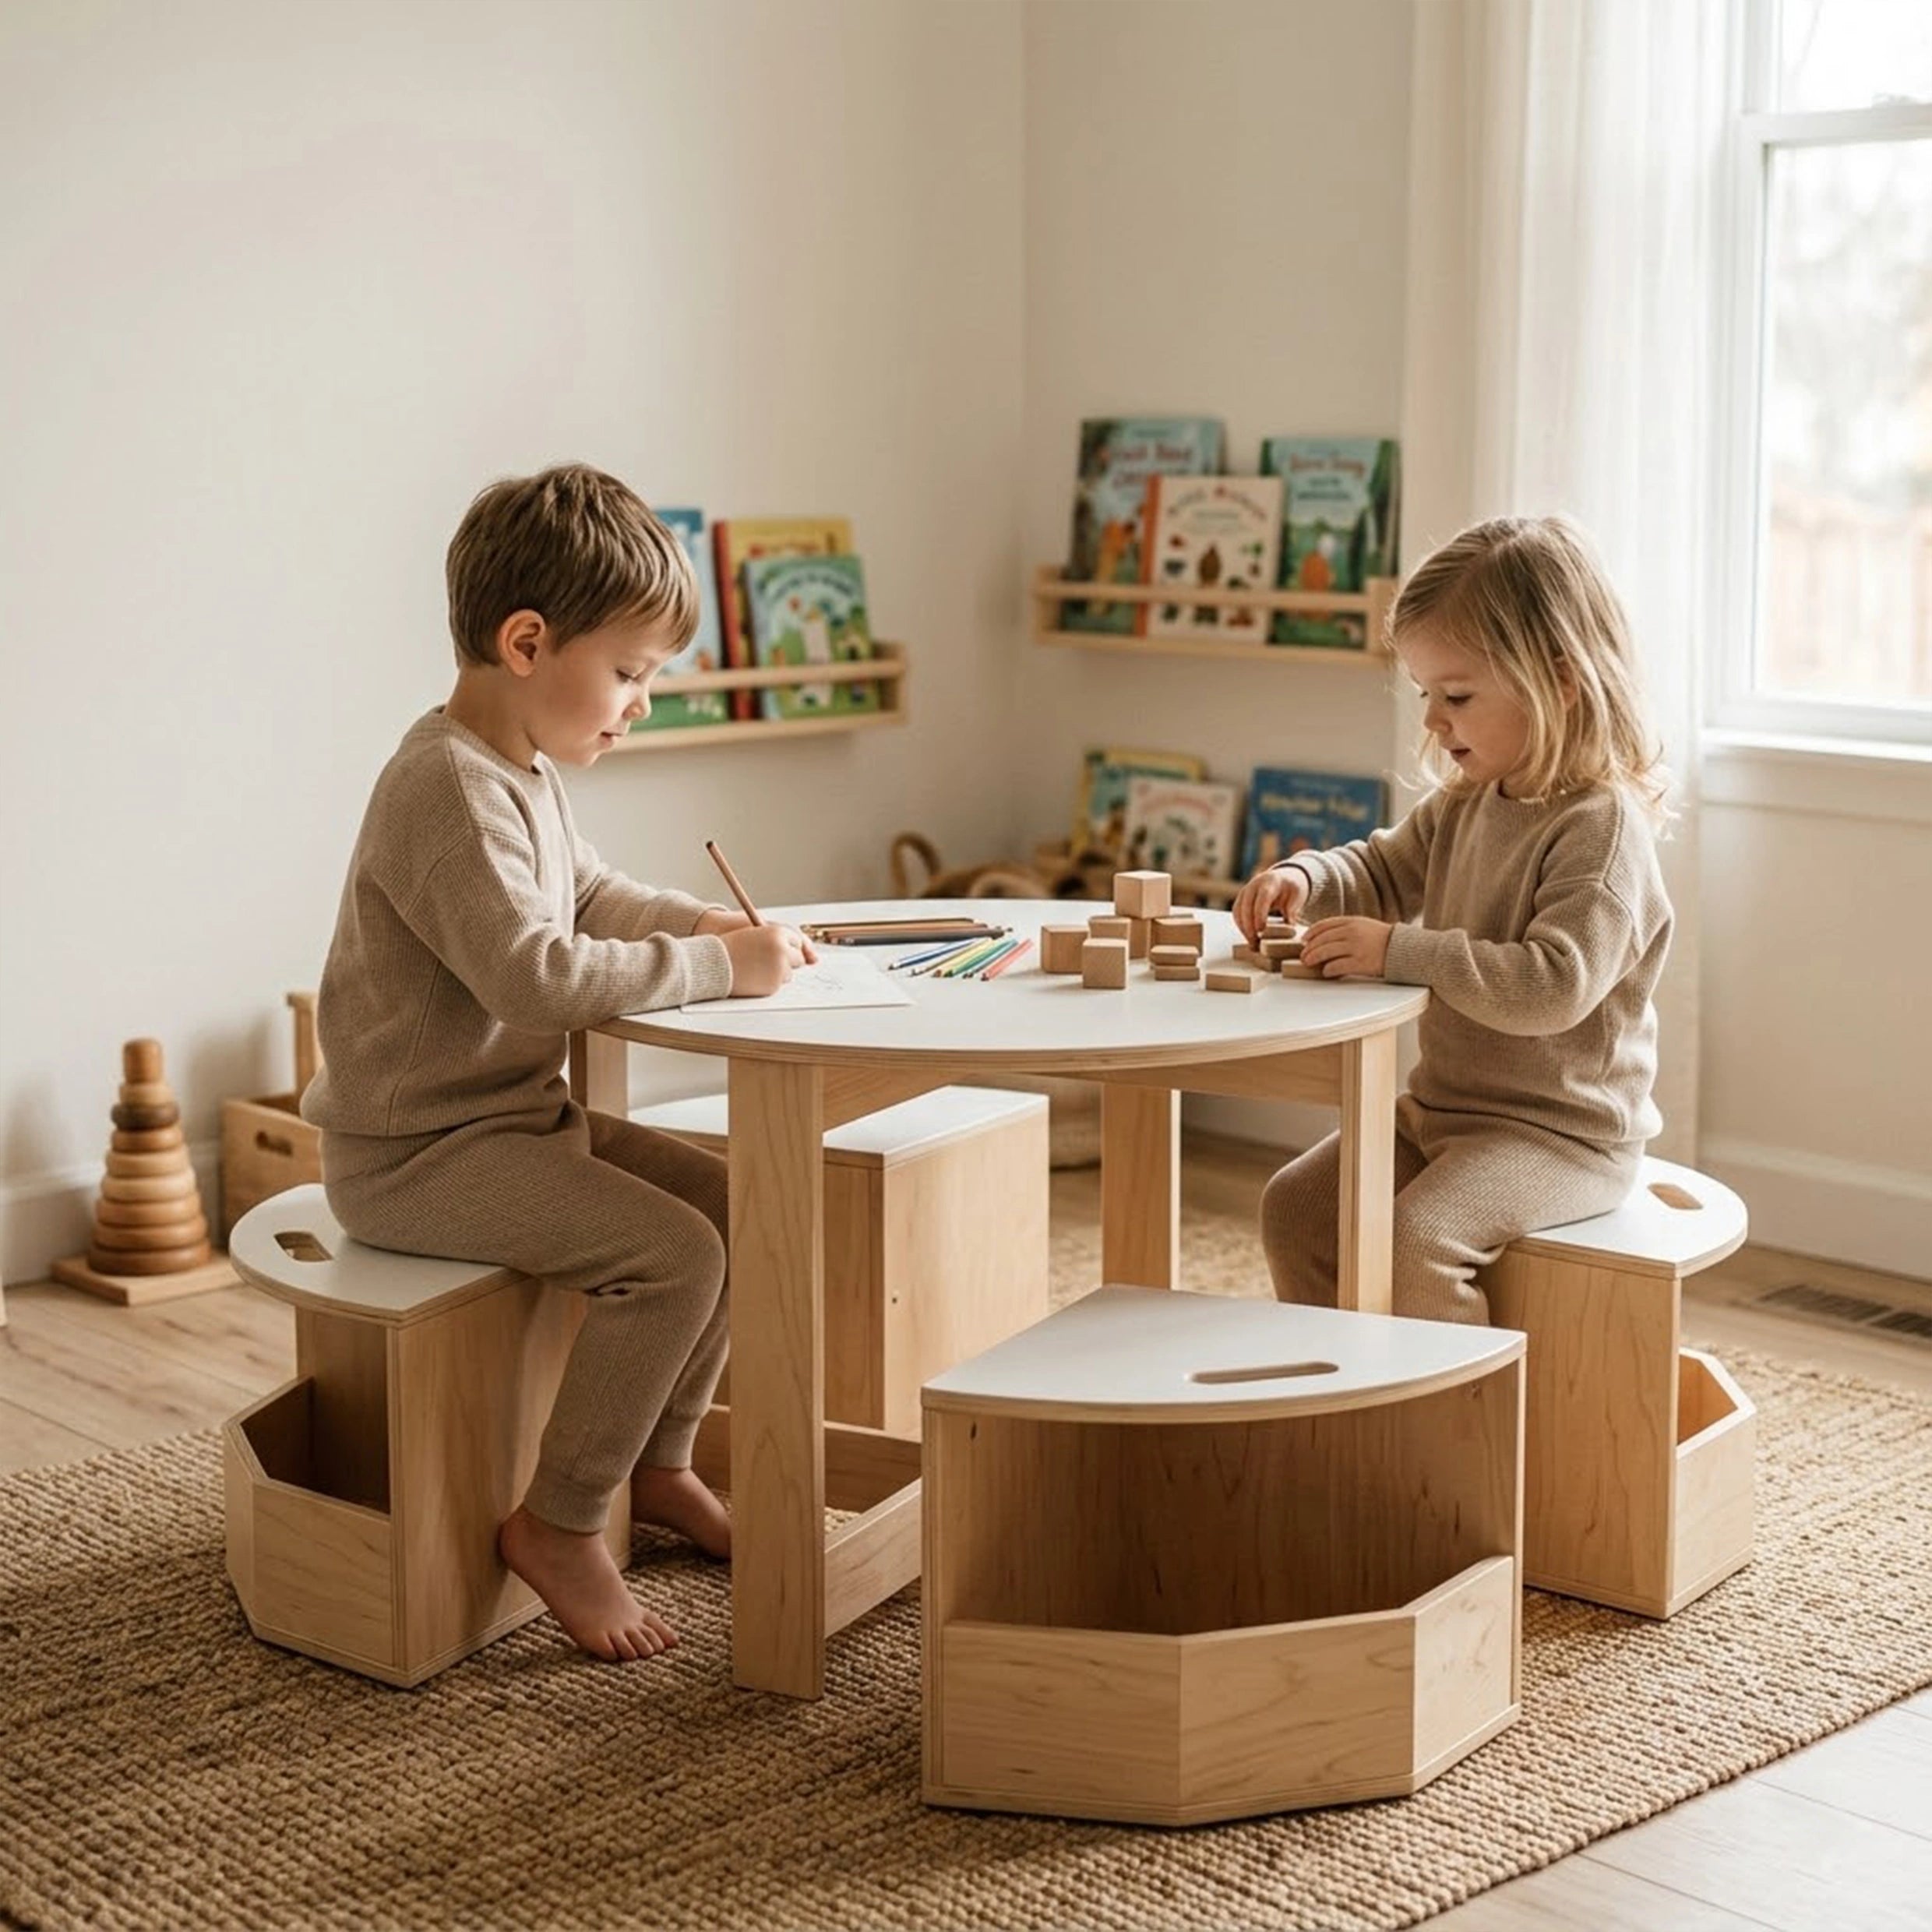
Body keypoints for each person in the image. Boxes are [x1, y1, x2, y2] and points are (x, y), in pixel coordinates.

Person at [301, 463, 815, 1661]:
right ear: (526, 641)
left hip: (506, 1127)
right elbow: (534, 973)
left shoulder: (520, 774)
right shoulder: (442, 787)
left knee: (730, 1206)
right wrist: (721, 973)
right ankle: (560, 1519)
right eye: (630, 675)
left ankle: (658, 1461)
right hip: (414, 1155)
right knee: (675, 1257)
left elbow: (589, 893)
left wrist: (707, 929)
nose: (640, 705)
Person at [1232, 514, 1673, 1324]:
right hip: (1439, 1112)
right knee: (1294, 1207)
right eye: (1426, 694)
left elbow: (1551, 986)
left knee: (1415, 1243)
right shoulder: (1467, 800)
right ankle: (1342, 1393)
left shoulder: (1600, 828)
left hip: (1558, 1138)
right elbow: (1379, 868)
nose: (1434, 720)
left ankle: (1448, 1440)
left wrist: (1398, 951)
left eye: (1457, 695)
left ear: (1559, 678)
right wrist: (1304, 875)